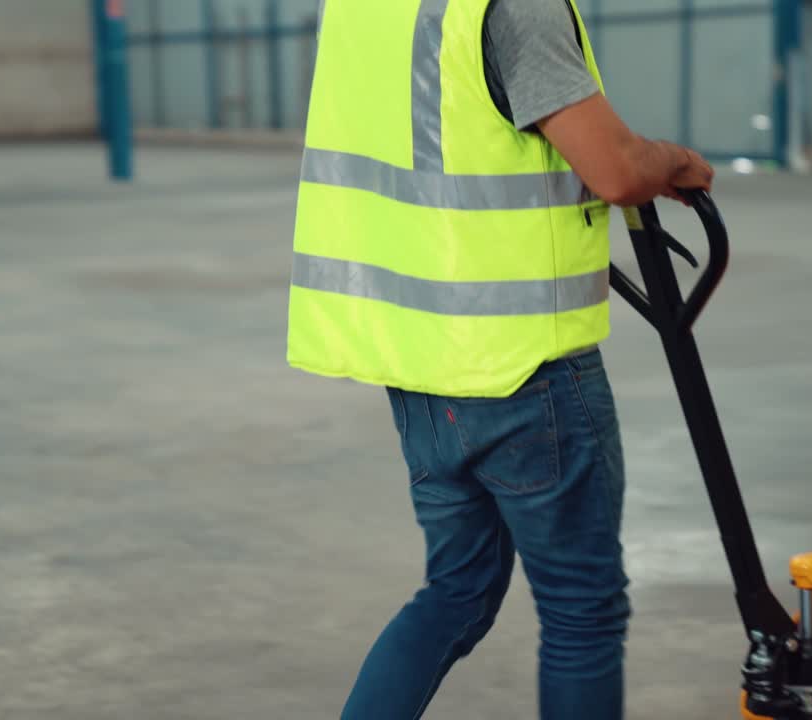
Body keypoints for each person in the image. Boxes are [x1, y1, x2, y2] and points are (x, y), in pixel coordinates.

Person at [286, 0, 714, 718]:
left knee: (456, 590)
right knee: (583, 611)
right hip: (521, 368)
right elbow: (613, 169)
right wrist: (673, 160)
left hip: (419, 362)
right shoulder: (512, 5)